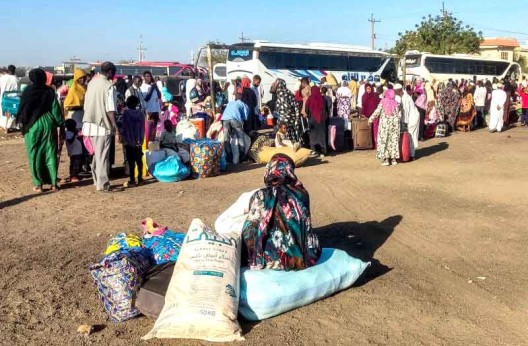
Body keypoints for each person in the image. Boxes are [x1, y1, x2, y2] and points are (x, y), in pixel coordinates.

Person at [242, 154, 321, 270]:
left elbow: (250, 230)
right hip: (305, 257)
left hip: (272, 259)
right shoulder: (301, 193)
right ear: (289, 170)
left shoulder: (260, 195)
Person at [17, 68, 63, 192]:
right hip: (48, 123)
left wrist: (23, 125)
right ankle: (54, 184)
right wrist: (60, 123)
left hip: (32, 126)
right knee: (50, 152)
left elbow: (22, 109)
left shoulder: (27, 91)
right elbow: (56, 110)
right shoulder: (50, 91)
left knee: (34, 154)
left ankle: (38, 184)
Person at [82, 62, 120, 192]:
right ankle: (103, 184)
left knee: (97, 155)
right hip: (102, 125)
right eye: (113, 72)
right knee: (103, 155)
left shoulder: (91, 83)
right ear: (110, 72)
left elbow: (86, 104)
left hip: (89, 123)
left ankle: (96, 179)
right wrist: (115, 127)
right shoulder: (109, 87)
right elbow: (110, 109)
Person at [368, 89, 402, 166]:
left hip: (385, 125)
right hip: (395, 125)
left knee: (384, 141)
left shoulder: (383, 102)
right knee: (393, 141)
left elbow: (377, 112)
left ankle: (386, 160)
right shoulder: (396, 103)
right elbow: (400, 115)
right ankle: (394, 159)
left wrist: (370, 119)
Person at [121, 95, 145, 188]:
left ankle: (132, 179)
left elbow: (124, 128)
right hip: (138, 141)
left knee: (131, 161)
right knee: (139, 160)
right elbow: (142, 128)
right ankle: (140, 178)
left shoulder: (126, 114)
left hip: (129, 142)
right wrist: (141, 139)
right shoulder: (140, 114)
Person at [222, 95, 249, 163]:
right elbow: (246, 114)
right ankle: (242, 157)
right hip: (235, 119)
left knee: (226, 138)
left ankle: (229, 158)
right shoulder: (242, 104)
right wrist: (244, 119)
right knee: (240, 137)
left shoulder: (230, 103)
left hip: (225, 119)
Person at [395, 83, 419, 160]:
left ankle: (412, 155)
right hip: (409, 119)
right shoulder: (402, 97)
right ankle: (409, 153)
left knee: (411, 136)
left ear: (399, 90)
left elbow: (406, 112)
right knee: (409, 136)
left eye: (395, 91)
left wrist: (403, 123)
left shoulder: (406, 98)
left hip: (412, 119)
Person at [275, 78, 301, 144]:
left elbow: (278, 108)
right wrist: (297, 118)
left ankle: (286, 149)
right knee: (292, 134)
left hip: (283, 120)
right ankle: (295, 146)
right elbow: (296, 106)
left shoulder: (279, 94)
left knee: (284, 136)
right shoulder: (290, 93)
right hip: (292, 118)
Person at [305, 86, 327, 157]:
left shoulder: (310, 98)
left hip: (312, 119)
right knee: (321, 135)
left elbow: (306, 109)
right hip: (321, 119)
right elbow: (326, 109)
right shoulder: (322, 98)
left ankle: (314, 151)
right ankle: (323, 152)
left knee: (313, 136)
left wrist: (309, 115)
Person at [361, 83, 381, 147]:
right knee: (368, 129)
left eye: (369, 88)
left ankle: (376, 144)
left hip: (375, 115)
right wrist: (363, 114)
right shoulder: (364, 96)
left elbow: (379, 103)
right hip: (367, 115)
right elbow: (363, 106)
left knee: (375, 129)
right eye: (367, 89)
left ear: (371, 88)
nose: (368, 90)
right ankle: (369, 143)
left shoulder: (375, 95)